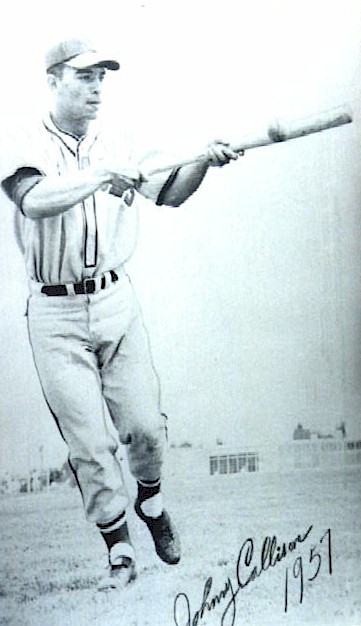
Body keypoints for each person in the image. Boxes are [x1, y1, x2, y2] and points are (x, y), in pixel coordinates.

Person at [1, 38, 240, 589]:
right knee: (90, 444)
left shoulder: (121, 140)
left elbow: (171, 193)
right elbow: (33, 199)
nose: (96, 87)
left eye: (102, 77)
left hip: (115, 299)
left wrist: (203, 159)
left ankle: (152, 506)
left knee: (144, 430)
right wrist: (102, 174)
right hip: (54, 311)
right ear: (53, 80)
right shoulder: (18, 136)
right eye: (84, 77)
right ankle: (119, 552)